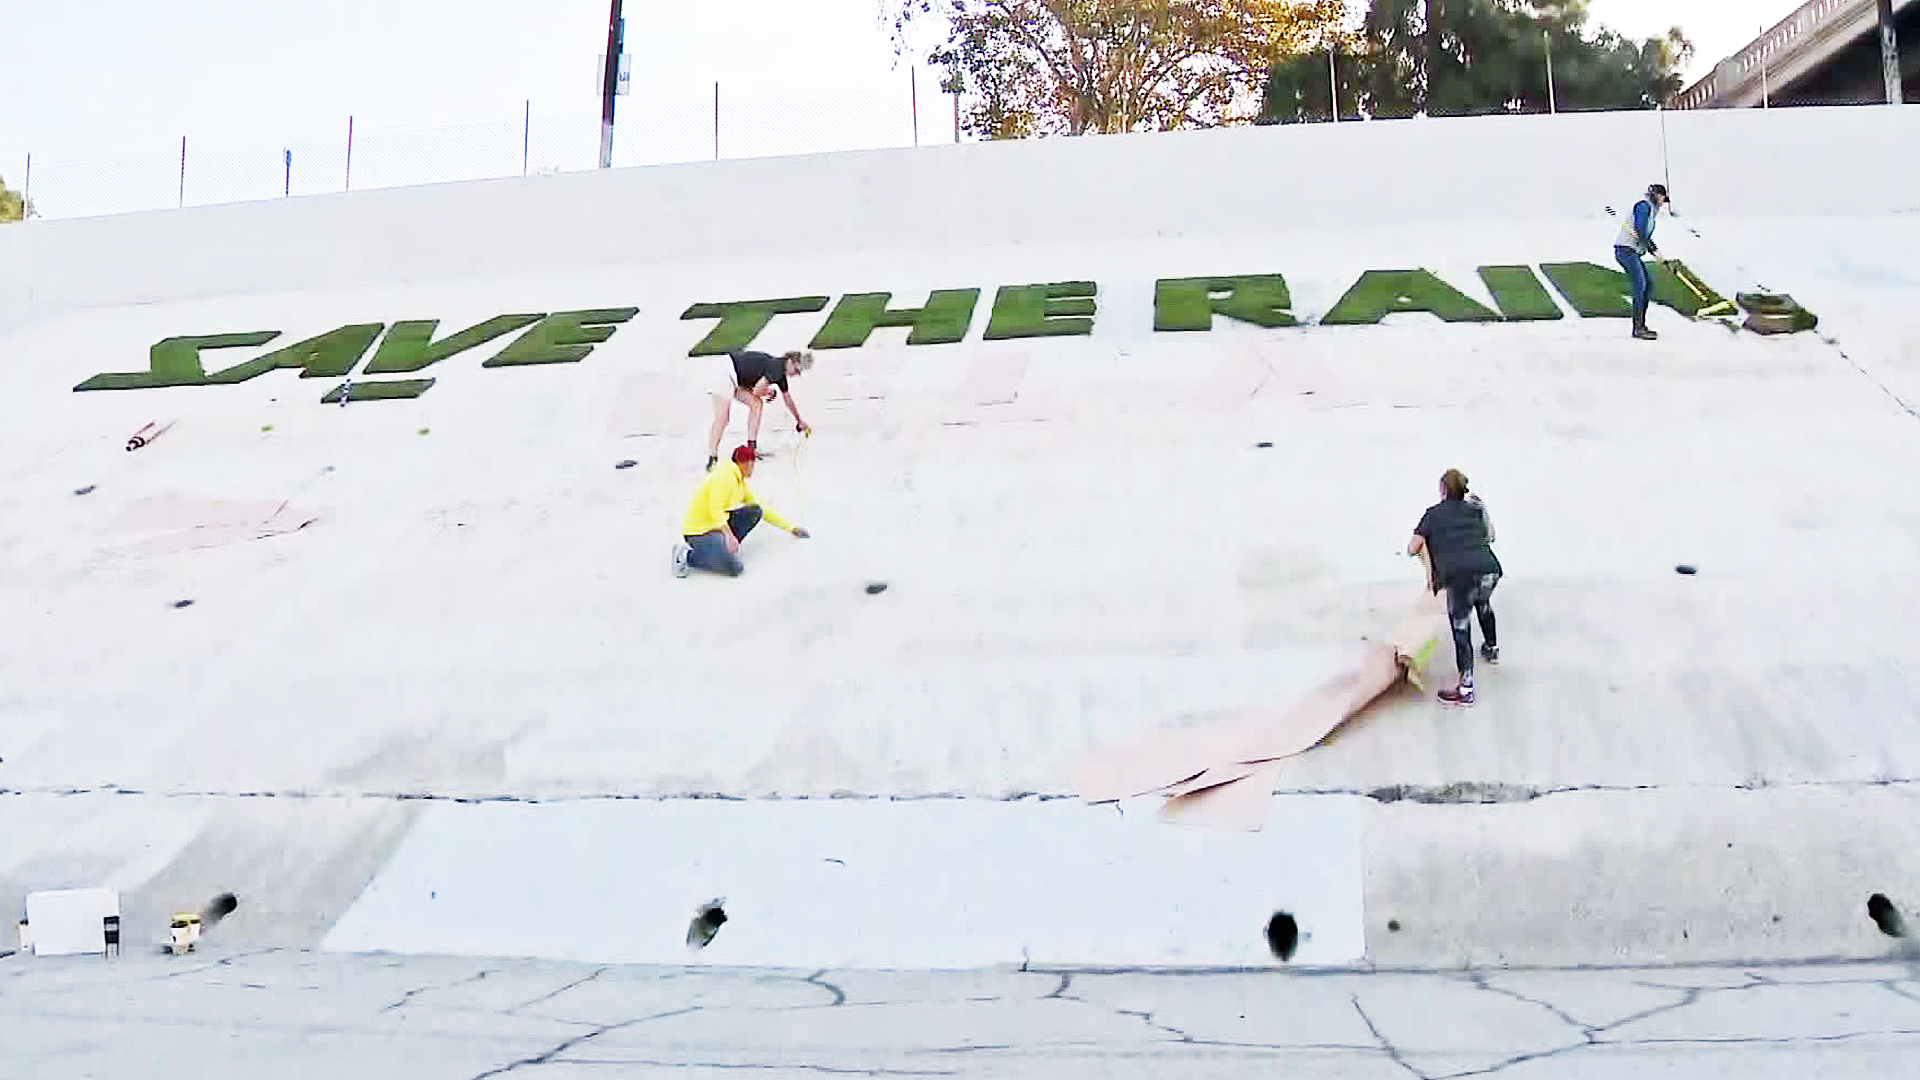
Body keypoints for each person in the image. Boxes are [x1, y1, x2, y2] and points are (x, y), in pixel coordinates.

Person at [1407, 469, 1502, 706]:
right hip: (1489, 570)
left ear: (1443, 490)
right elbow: (1490, 537)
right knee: (1483, 604)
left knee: (1461, 627)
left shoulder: (1433, 515)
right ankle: (1491, 648)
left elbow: (1412, 547)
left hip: (1459, 576)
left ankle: (1466, 688)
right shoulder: (1476, 509)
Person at [674, 444, 809, 578]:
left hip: (716, 527)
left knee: (755, 511)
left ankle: (724, 549)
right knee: (735, 568)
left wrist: (791, 528)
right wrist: (729, 535)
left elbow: (761, 507)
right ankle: (686, 555)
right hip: (698, 533)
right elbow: (714, 508)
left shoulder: (739, 481)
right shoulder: (725, 478)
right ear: (746, 463)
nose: (753, 468)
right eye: (753, 463)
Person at [705, 349, 814, 471]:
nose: (795, 374)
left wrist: (799, 421)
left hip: (737, 379)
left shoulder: (779, 371)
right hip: (724, 372)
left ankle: (751, 447)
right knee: (723, 418)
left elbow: (788, 400)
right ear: (791, 362)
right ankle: (712, 458)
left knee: (756, 404)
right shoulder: (776, 368)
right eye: (796, 370)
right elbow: (757, 390)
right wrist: (768, 391)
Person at [1613, 183, 1670, 342]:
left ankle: (1641, 325)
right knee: (1640, 285)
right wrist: (1654, 251)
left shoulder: (1650, 210)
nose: (1662, 203)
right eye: (1662, 198)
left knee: (1647, 286)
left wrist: (1654, 249)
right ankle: (1638, 328)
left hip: (1633, 252)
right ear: (1657, 195)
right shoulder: (1644, 206)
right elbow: (1641, 232)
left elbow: (1644, 235)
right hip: (1625, 250)